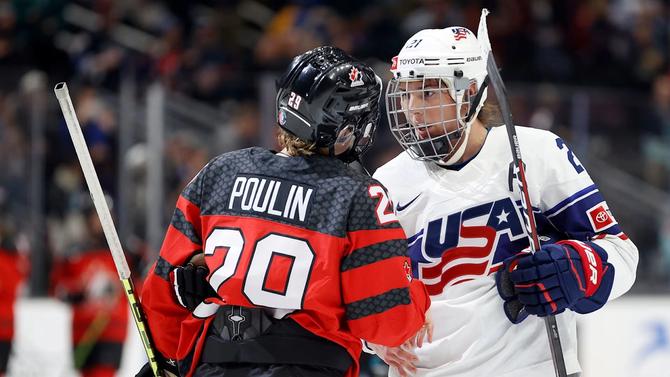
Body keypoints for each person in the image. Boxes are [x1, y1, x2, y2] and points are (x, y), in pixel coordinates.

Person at [138, 46, 431, 377]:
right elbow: (387, 322)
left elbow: (163, 290)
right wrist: (418, 301)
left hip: (214, 362)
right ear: (346, 127)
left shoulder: (221, 172)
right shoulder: (358, 194)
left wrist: (171, 356)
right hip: (309, 365)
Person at [369, 26, 639, 377]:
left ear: (467, 94)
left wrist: (578, 268)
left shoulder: (536, 153)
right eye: (406, 94)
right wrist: (374, 335)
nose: (413, 110)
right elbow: (368, 290)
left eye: (428, 93)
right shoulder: (387, 182)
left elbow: (621, 254)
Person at [52, 205, 129, 377]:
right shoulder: (75, 254)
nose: (99, 222)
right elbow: (58, 288)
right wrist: (74, 294)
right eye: (95, 216)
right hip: (82, 329)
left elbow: (140, 287)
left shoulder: (123, 253)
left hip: (112, 328)